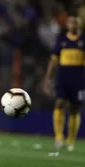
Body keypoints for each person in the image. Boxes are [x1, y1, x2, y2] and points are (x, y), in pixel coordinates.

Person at [43, 11, 85, 152]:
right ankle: (59, 137)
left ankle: (71, 140)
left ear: (79, 24)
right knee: (59, 103)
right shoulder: (62, 40)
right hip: (63, 77)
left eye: (75, 22)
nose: (72, 24)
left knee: (74, 108)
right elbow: (53, 61)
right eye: (70, 22)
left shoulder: (83, 40)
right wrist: (47, 78)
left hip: (79, 79)